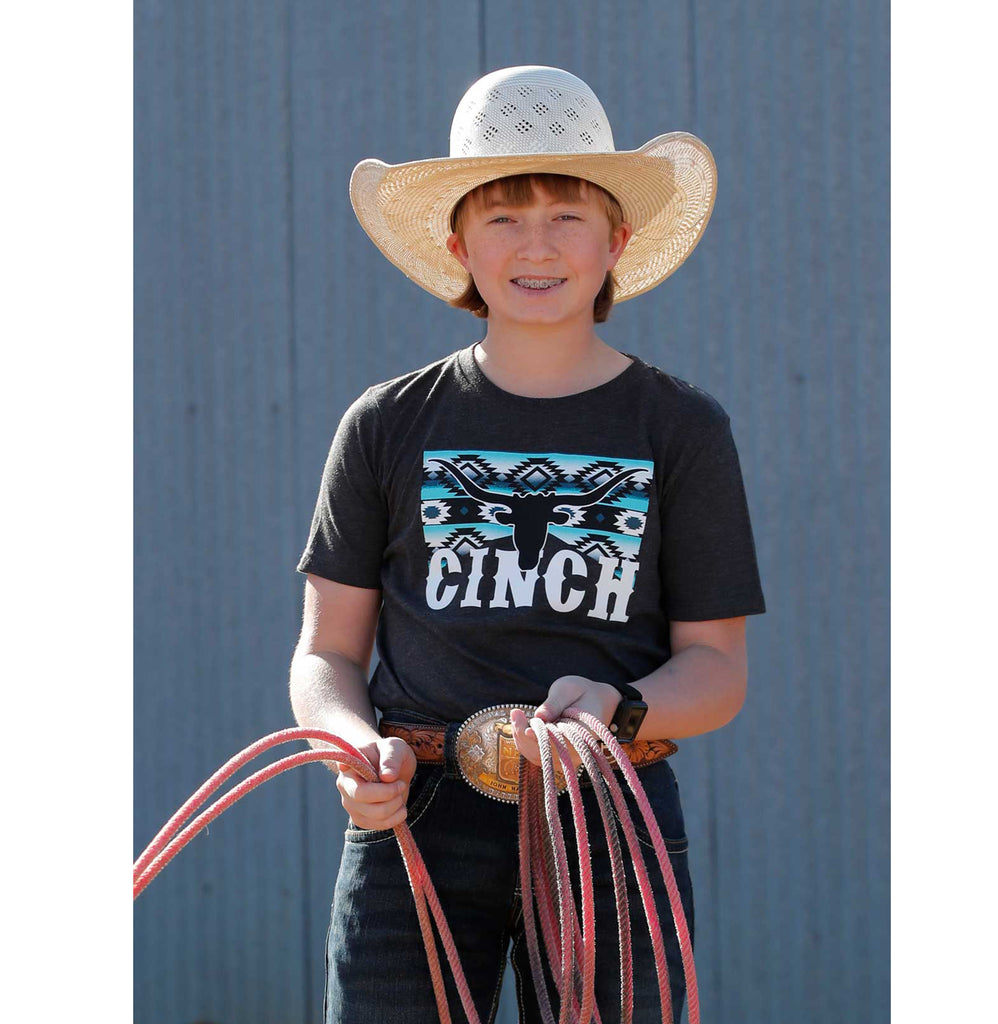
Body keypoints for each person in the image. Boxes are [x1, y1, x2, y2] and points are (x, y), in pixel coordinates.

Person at [290, 65, 765, 1024]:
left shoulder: (680, 428)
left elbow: (715, 669)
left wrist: (621, 709)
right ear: (459, 244)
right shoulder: (386, 424)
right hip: (413, 816)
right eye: (503, 217)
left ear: (616, 242)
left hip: (609, 818)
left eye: (567, 216)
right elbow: (326, 652)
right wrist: (351, 747)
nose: (535, 244)